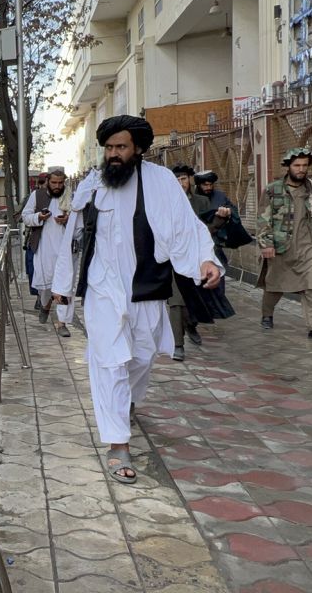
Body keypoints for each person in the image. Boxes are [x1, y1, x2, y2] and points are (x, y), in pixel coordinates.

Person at [50, 115, 221, 485]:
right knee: (109, 361)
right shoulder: (93, 186)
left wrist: (204, 261)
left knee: (141, 357)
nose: (113, 155)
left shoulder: (161, 183)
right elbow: (73, 239)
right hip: (103, 290)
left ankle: (124, 404)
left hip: (146, 289)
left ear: (138, 149)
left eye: (121, 147)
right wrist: (62, 285)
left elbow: (186, 228)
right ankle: (117, 443)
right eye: (108, 148)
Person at [258, 147, 312, 345]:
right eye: (297, 165)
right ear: (288, 166)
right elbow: (264, 219)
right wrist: (266, 243)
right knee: (274, 286)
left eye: (304, 165)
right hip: (280, 246)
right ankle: (267, 314)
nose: (301, 169)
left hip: (308, 246)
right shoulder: (273, 190)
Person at [168, 165, 234, 361]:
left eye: (184, 179)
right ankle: (177, 344)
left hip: (198, 256)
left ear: (190, 180)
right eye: (177, 180)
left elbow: (208, 230)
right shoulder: (164, 203)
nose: (181, 183)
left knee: (196, 297)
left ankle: (190, 324)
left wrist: (220, 220)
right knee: (176, 301)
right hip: (172, 258)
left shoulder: (202, 202)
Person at [21, 167, 75, 337]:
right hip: (43, 248)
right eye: (54, 183)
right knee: (45, 286)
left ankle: (62, 323)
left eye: (60, 183)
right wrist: (39, 217)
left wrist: (68, 220)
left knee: (65, 285)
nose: (57, 186)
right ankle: (45, 306)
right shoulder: (37, 196)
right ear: (48, 182)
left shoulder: (70, 196)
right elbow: (25, 216)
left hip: (66, 249)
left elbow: (79, 219)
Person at [24, 172, 50, 306]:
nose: (44, 185)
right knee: (33, 269)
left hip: (52, 241)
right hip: (34, 239)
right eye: (42, 182)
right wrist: (38, 216)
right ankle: (39, 296)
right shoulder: (32, 197)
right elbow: (25, 217)